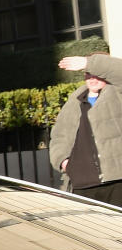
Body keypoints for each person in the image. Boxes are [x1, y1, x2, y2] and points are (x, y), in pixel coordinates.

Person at [50, 53, 122, 207]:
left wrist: (88, 63)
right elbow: (59, 136)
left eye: (97, 74)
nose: (92, 78)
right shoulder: (75, 99)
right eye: (88, 74)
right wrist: (63, 161)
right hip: (81, 183)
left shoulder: (117, 93)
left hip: (116, 180)